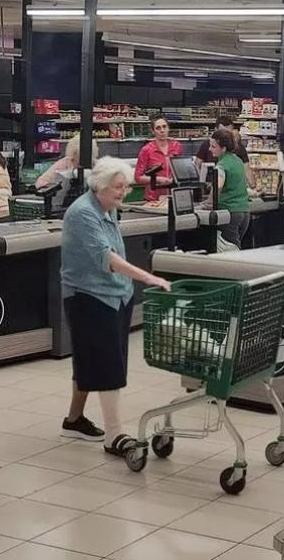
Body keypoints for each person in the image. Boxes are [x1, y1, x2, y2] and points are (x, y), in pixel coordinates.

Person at [60, 157, 171, 456]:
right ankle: (114, 434)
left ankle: (73, 420)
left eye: (125, 186)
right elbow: (107, 258)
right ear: (100, 186)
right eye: (118, 187)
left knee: (91, 359)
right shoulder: (83, 213)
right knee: (107, 364)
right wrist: (148, 277)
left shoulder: (107, 208)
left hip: (115, 295)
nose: (124, 192)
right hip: (89, 296)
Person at [209, 129, 251, 247]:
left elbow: (218, 186)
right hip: (244, 211)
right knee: (236, 246)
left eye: (213, 146)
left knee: (230, 250)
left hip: (229, 213)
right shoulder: (238, 160)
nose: (210, 149)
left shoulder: (221, 165)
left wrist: (209, 201)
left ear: (223, 148)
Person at [196, 115, 255, 189]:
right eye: (223, 132)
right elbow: (197, 164)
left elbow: (246, 169)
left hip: (228, 189)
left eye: (228, 133)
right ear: (216, 130)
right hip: (212, 187)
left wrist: (253, 186)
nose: (225, 136)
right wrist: (202, 183)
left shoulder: (238, 148)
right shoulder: (206, 145)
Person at [134, 116, 184, 202]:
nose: (162, 130)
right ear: (153, 131)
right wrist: (158, 179)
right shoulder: (146, 150)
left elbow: (180, 170)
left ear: (168, 128)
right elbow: (138, 177)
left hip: (173, 195)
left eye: (164, 127)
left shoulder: (177, 146)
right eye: (158, 128)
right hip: (154, 197)